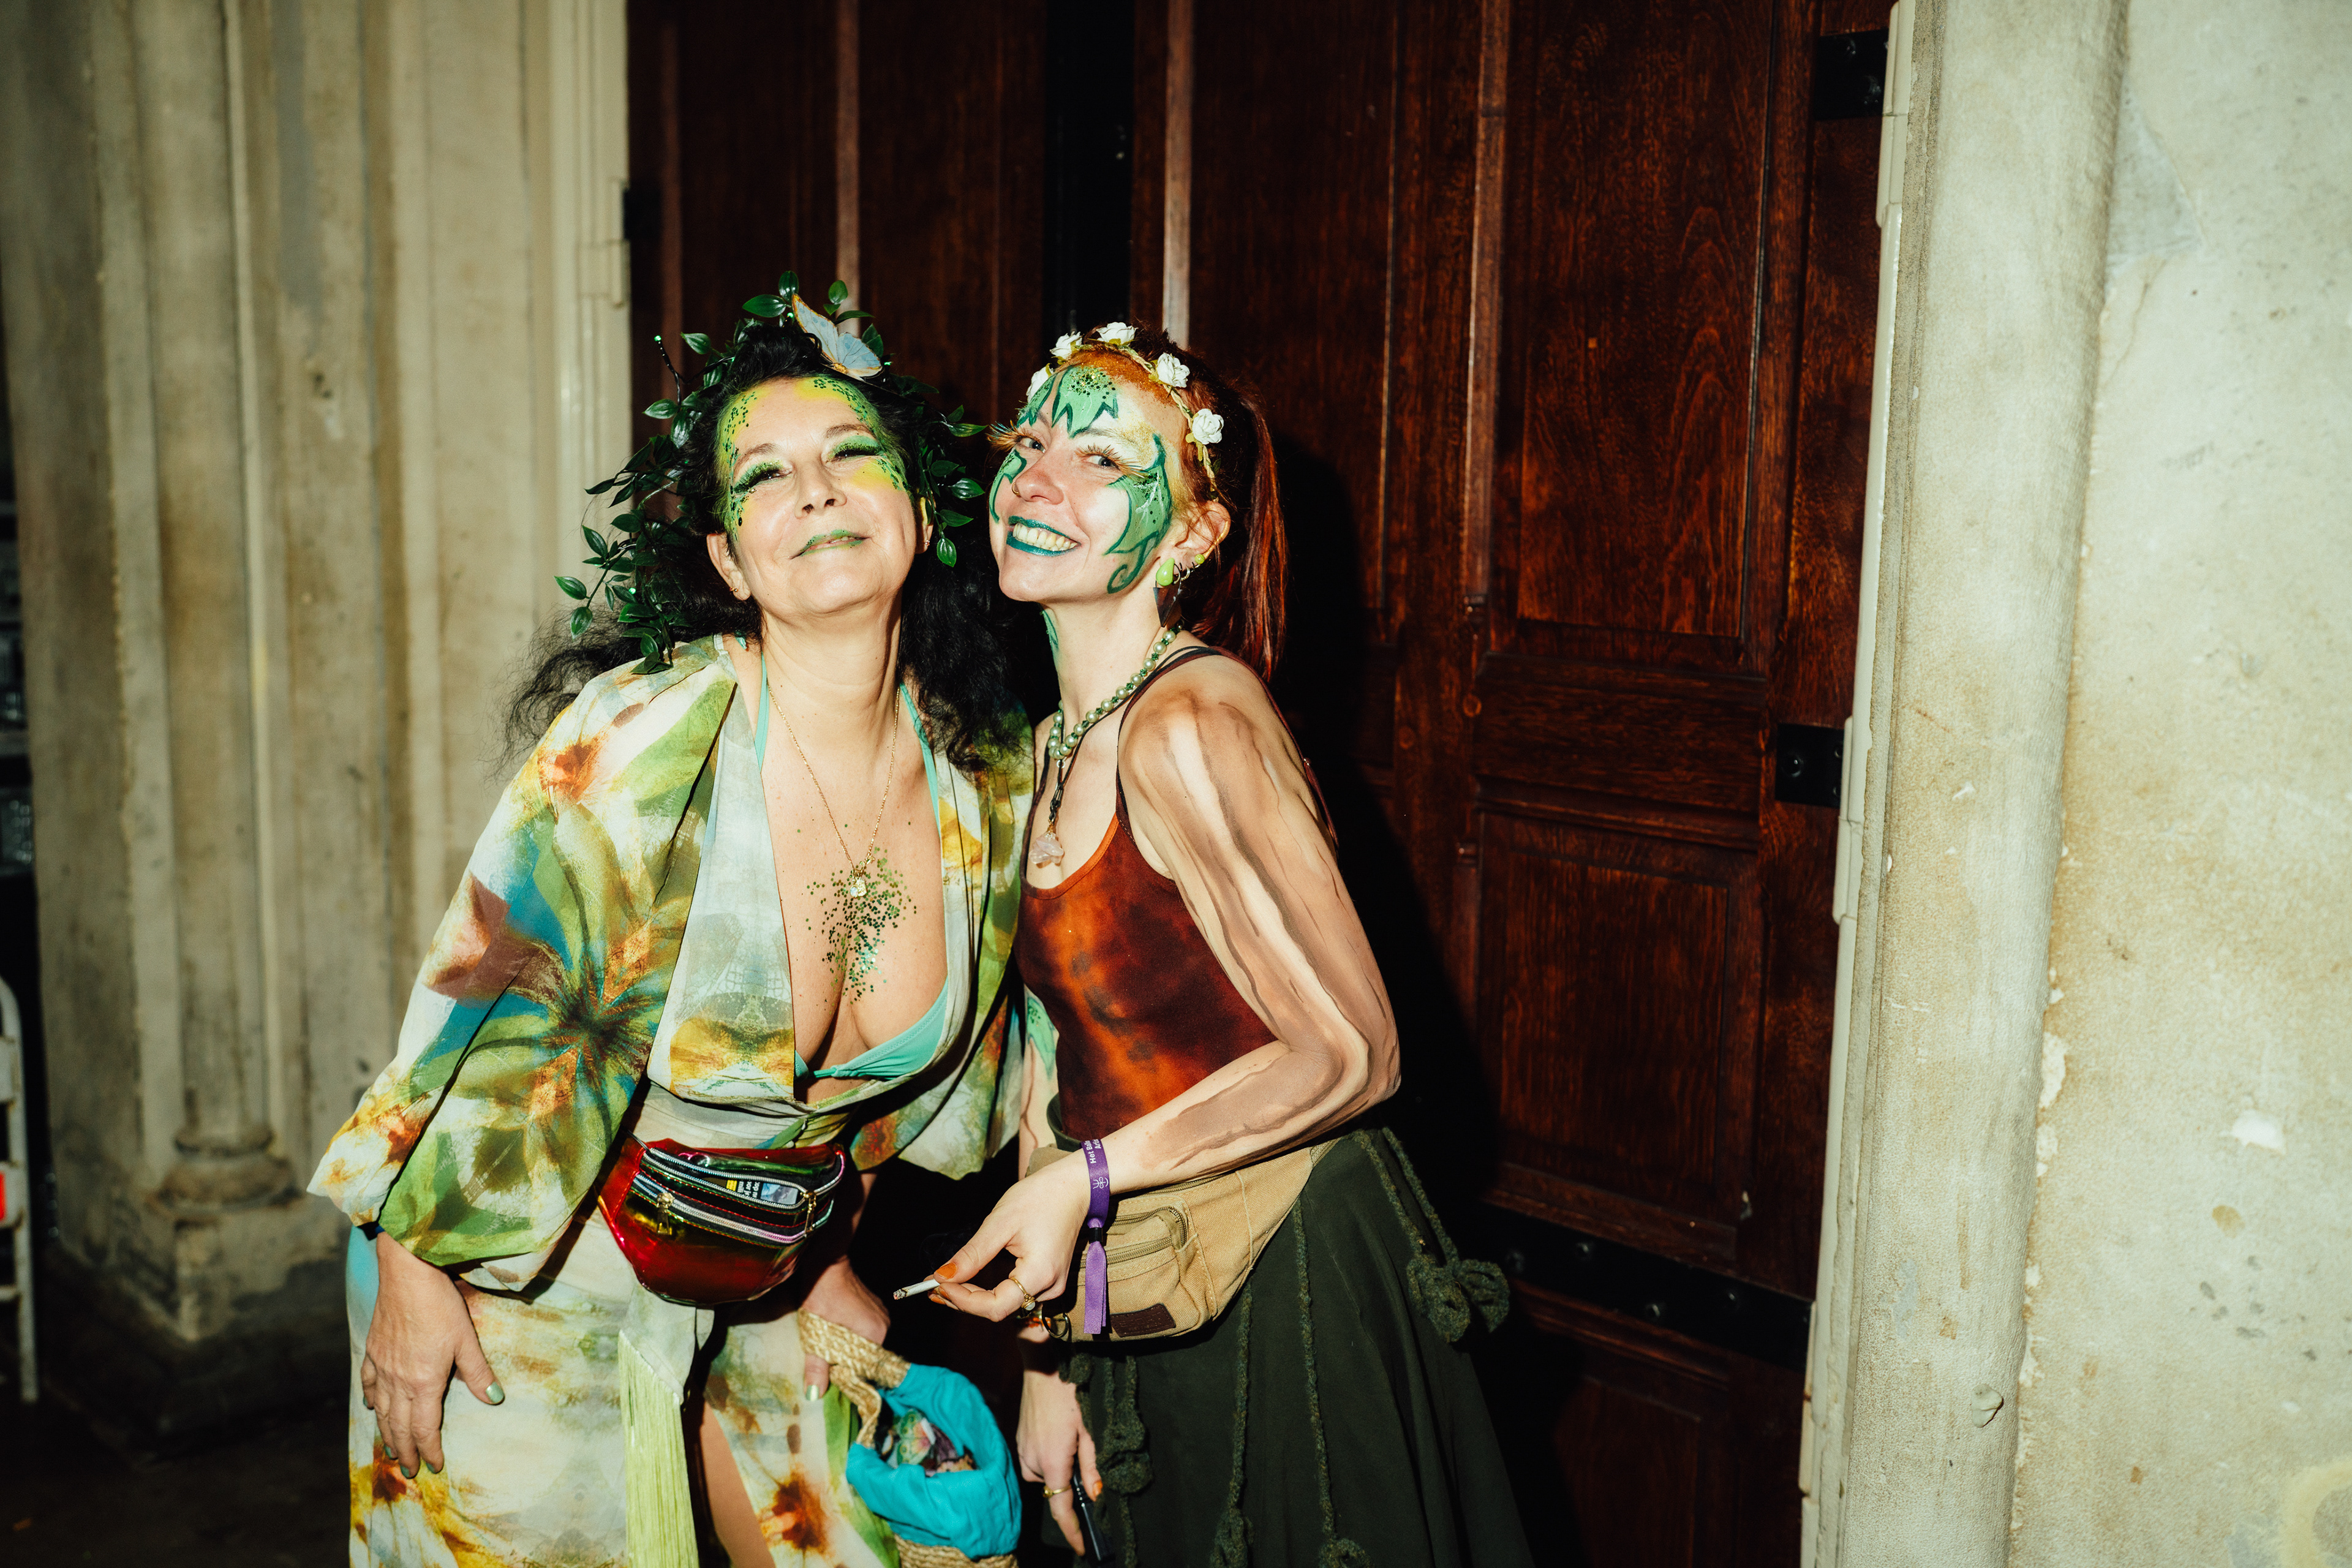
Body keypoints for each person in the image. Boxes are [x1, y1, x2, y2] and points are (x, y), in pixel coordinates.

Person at [309, 279, 1033, 1568]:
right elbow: (476, 1003)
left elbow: (907, 1098)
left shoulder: (983, 776)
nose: (815, 490)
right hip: (521, 1269)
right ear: (727, 560)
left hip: (766, 1268)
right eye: (764, 475)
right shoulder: (647, 734)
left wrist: (830, 1263)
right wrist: (416, 1275)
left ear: (921, 514)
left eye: (850, 453)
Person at [932, 323, 1533, 1566]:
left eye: (1104, 460)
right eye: (1031, 443)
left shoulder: (1193, 723)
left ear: (1193, 536)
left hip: (1291, 1274)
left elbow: (1353, 1052)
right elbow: (1059, 1073)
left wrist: (1086, 1185)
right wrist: (1048, 1356)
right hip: (1146, 1278)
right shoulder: (1050, 745)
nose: (1038, 479)